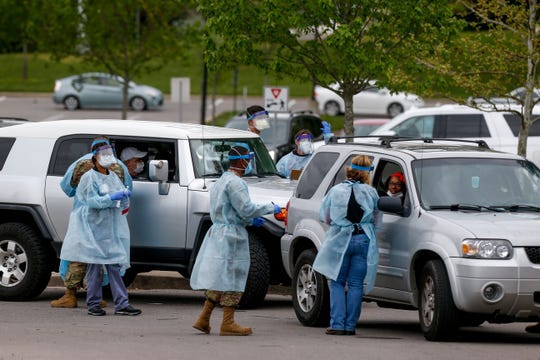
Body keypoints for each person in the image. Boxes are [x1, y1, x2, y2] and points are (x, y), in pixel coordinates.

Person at [190, 144, 281, 336]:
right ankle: (228, 323)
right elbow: (246, 208)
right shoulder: (237, 183)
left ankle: (204, 318)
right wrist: (269, 208)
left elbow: (233, 209)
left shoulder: (221, 180)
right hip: (232, 237)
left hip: (219, 233)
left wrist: (248, 220)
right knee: (234, 277)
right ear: (240, 161)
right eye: (247, 159)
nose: (249, 162)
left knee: (219, 277)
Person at [59, 138, 141, 316]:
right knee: (94, 267)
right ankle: (94, 304)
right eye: (103, 154)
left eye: (109, 154)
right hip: (92, 228)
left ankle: (121, 304)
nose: (107, 157)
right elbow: (91, 201)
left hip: (109, 228)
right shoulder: (88, 177)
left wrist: (123, 198)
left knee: (114, 265)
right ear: (94, 157)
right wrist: (111, 199)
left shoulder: (112, 176)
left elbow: (122, 197)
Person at [313, 155, 381, 336]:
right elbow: (377, 221)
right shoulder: (371, 192)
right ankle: (350, 326)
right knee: (356, 284)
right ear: (368, 174)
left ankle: (337, 324)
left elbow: (325, 217)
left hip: (340, 239)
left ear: (349, 169)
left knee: (337, 281)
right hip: (362, 239)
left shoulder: (335, 191)